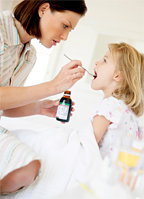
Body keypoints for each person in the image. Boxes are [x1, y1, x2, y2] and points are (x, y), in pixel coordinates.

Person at [0, 0, 87, 195]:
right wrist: (54, 86)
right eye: (65, 26)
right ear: (43, 9)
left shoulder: (29, 55)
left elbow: (4, 105)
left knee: (28, 169)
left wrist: (39, 108)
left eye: (69, 31)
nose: (64, 37)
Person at [91, 42, 144, 158]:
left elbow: (87, 144)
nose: (97, 62)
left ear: (117, 76)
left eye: (104, 60)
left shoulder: (109, 105)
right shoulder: (128, 112)